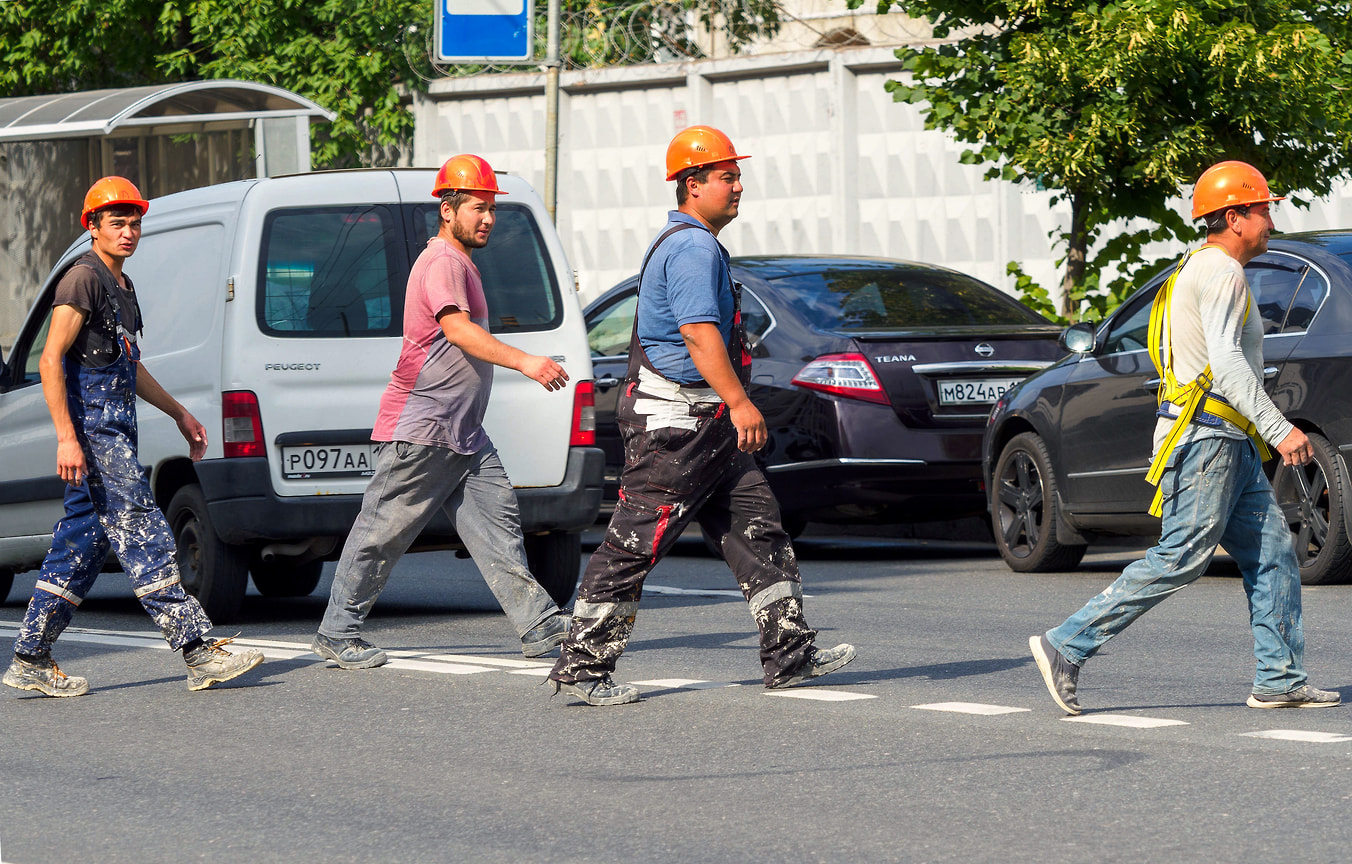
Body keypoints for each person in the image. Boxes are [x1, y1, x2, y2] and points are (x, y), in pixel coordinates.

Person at [547, 126, 855, 706]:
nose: (739, 186)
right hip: (678, 428)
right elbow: (695, 332)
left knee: (757, 528)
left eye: (737, 175)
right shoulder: (690, 247)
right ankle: (584, 666)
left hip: (705, 427)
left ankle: (789, 656)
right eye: (726, 176)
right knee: (636, 541)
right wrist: (740, 401)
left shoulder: (694, 242)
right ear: (693, 185)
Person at [1030, 160, 1340, 715]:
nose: (1271, 219)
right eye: (1263, 209)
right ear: (1234, 215)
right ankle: (1067, 644)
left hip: (1225, 440)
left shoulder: (1191, 267)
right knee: (1181, 557)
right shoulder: (1222, 272)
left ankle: (1279, 679)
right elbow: (1226, 366)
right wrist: (1280, 428)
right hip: (1207, 440)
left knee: (1273, 555)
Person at [3, 177, 264, 698]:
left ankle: (31, 656)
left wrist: (178, 413)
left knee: (81, 543)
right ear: (92, 226)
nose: (128, 231)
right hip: (96, 435)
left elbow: (131, 366)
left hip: (116, 430)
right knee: (144, 530)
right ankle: (197, 650)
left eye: (134, 222)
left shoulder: (122, 287)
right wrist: (65, 438)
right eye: (116, 222)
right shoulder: (82, 279)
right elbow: (51, 358)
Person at [311, 154, 573, 669]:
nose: (488, 218)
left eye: (492, 208)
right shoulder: (442, 263)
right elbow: (457, 330)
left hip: (464, 433)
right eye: (478, 207)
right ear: (448, 210)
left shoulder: (460, 263)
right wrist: (526, 362)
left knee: (498, 527)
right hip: (423, 428)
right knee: (382, 532)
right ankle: (338, 632)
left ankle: (539, 624)